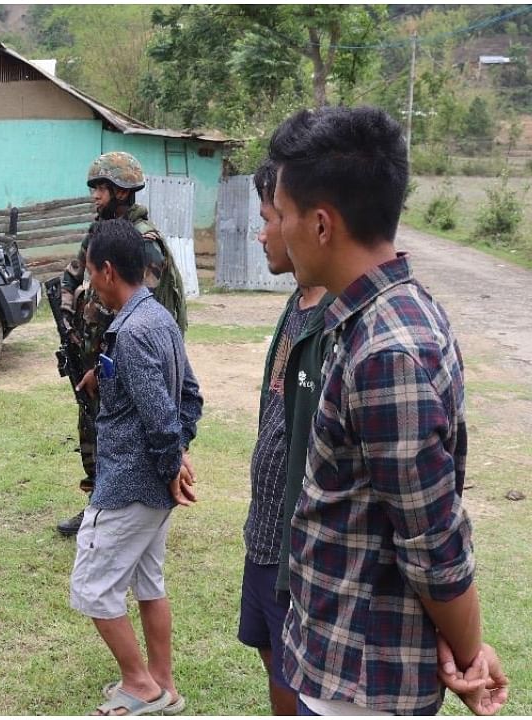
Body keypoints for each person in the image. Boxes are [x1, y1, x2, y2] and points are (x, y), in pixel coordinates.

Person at [268, 106, 508, 716]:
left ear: (321, 225)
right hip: (346, 659)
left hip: (363, 681)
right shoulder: (381, 316)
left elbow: (432, 538)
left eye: (285, 214)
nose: (278, 229)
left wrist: (470, 648)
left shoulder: (386, 352)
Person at [68, 218, 202, 716]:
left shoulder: (132, 332)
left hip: (129, 484)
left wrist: (173, 461)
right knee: (149, 582)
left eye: (89, 273)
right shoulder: (160, 319)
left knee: (91, 588)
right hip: (153, 487)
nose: (87, 285)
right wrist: (178, 455)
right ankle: (162, 683)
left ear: (107, 271)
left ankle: (140, 685)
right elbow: (190, 396)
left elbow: (162, 414)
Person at [235, 159, 332, 716]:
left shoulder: (337, 324)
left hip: (300, 550)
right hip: (265, 534)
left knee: (306, 676)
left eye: (270, 217)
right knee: (272, 654)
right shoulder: (294, 307)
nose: (262, 231)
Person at [56, 151, 188, 537]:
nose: (95, 195)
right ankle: (98, 502)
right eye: (95, 187)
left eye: (101, 187)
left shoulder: (144, 242)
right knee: (92, 428)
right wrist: (68, 319)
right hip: (94, 357)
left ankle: (138, 506)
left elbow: (139, 313)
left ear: (121, 191)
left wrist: (106, 363)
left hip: (125, 359)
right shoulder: (99, 231)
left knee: (127, 432)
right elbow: (71, 275)